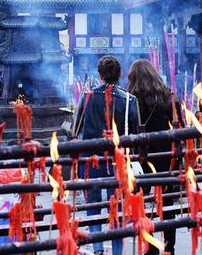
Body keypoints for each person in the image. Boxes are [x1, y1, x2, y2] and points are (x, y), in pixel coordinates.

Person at [80, 56, 141, 255]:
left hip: (91, 159)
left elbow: (77, 130)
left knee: (94, 205)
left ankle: (97, 248)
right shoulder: (130, 99)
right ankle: (117, 252)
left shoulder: (87, 96)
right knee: (118, 208)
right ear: (119, 74)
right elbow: (134, 133)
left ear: (99, 75)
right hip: (118, 161)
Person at [127, 59, 183, 255]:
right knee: (167, 204)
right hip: (167, 158)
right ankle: (169, 247)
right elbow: (180, 129)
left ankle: (151, 248)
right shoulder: (170, 98)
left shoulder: (131, 100)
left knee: (143, 204)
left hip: (142, 158)